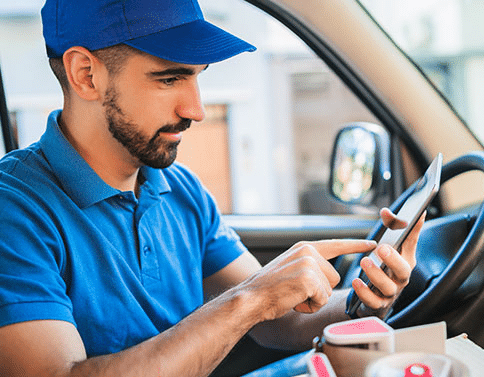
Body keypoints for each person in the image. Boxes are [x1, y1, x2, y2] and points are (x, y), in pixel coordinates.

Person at [0, 0, 425, 376]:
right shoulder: (14, 209)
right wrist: (249, 299)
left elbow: (280, 321)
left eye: (197, 78)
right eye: (169, 79)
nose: (196, 110)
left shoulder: (180, 189)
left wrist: (365, 302)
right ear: (85, 75)